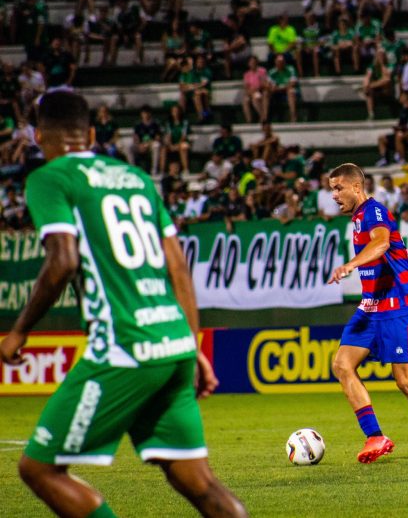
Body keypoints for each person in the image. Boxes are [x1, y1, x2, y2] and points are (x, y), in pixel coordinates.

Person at [0, 90, 248, 518]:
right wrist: (193, 345)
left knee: (40, 469)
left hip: (125, 346)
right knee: (197, 480)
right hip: (173, 343)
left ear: (39, 136)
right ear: (92, 134)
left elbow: (62, 260)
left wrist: (20, 330)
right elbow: (179, 267)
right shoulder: (135, 178)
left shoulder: (49, 178)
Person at [326, 163, 408, 464]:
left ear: (357, 187)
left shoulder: (374, 211)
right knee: (342, 364)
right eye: (331, 189)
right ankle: (375, 436)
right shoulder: (356, 218)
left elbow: (381, 243)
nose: (334, 195)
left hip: (399, 305)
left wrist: (350, 264)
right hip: (371, 305)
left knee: (405, 382)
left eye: (338, 188)